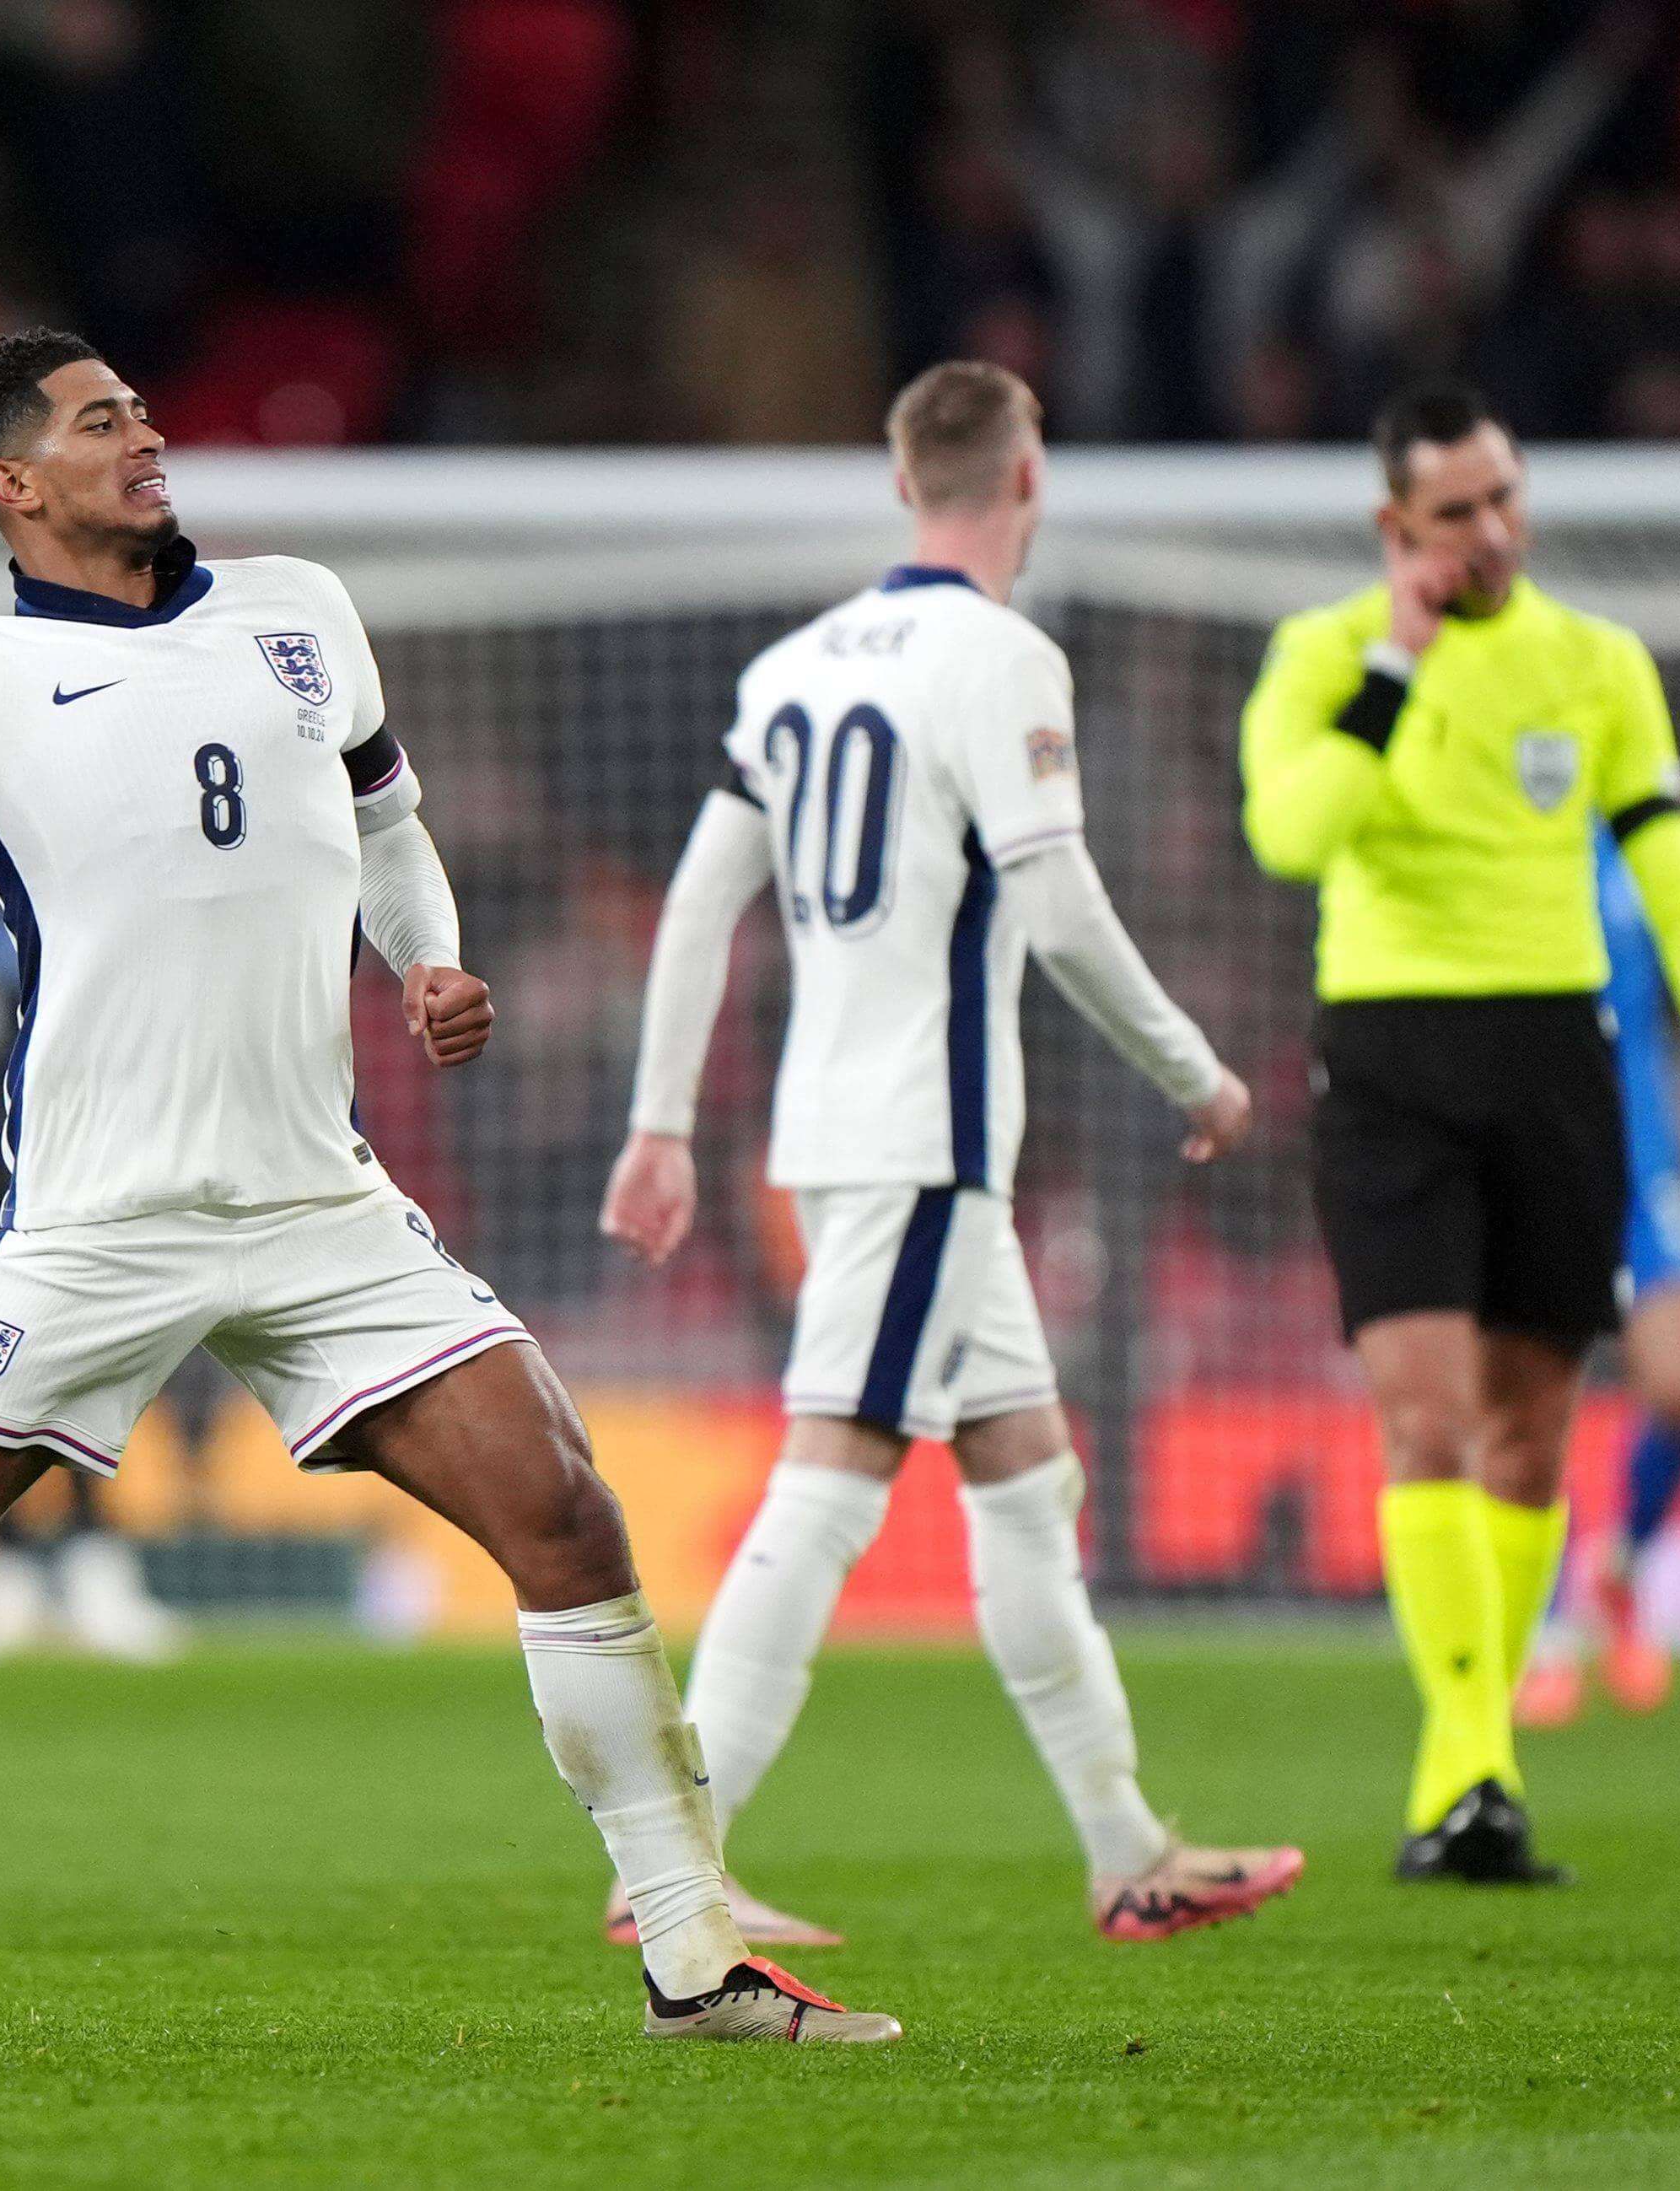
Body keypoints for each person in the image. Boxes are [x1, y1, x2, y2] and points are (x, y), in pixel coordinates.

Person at [0, 328, 901, 2045]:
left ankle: (691, 1963)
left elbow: (385, 822)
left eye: (138, 408)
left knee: (568, 1515)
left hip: (318, 1207)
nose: (142, 436)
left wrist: (424, 956)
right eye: (95, 422)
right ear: (14, 485)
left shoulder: (298, 609)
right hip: (96, 1221)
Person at [602, 361, 1301, 1949]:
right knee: (831, 1477)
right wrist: (1194, 1068)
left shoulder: (789, 667)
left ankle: (1126, 1845)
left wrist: (658, 1124)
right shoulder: (1001, 656)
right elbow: (1052, 904)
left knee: (1025, 1480)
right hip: (919, 1136)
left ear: (899, 477)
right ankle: (670, 1861)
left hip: (867, 1139)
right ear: (1023, 478)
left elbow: (703, 902)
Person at [1241, 379, 1680, 1884]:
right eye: (1456, 509)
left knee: (1532, 1428)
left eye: (1503, 498)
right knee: (1422, 1413)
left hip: (1558, 1056)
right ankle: (1463, 1762)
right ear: (1392, 524)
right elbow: (1293, 832)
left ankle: (1480, 1762)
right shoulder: (1322, 654)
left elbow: (1677, 877)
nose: (1490, 531)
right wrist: (1398, 664)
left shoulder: (1595, 665)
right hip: (1389, 1056)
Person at [1515, 826, 1680, 1725]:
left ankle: (1619, 1568)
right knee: (1528, 1399)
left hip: (1637, 1153)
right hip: (1526, 1148)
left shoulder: (1634, 835)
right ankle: (1539, 1631)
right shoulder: (1494, 822)